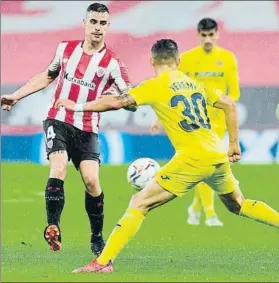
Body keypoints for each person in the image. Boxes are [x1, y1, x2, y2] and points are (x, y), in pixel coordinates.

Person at [55, 39, 279, 274]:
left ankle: (102, 262)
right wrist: (233, 143)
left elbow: (118, 102)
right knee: (238, 204)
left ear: (152, 60)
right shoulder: (194, 83)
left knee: (138, 203)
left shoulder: (155, 86)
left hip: (192, 159)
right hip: (216, 153)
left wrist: (78, 107)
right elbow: (229, 104)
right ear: (178, 61)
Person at [1, 3, 132, 255]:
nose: (97, 28)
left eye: (103, 23)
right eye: (93, 22)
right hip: (58, 121)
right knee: (58, 167)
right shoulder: (65, 49)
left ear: (108, 26)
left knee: (92, 181)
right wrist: (17, 95)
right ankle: (53, 225)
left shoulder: (113, 63)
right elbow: (48, 76)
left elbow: (130, 99)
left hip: (87, 129)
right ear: (84, 23)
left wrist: (117, 99)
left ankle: (96, 237)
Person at [151, 18, 240, 227]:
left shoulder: (227, 58)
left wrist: (226, 106)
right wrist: (158, 117)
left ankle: (196, 208)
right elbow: (170, 88)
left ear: (217, 34)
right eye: (204, 35)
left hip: (217, 121)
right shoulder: (188, 59)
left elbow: (234, 90)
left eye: (211, 35)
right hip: (194, 121)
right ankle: (209, 213)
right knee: (208, 164)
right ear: (198, 35)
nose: (208, 39)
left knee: (207, 164)